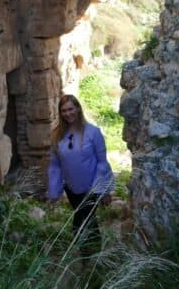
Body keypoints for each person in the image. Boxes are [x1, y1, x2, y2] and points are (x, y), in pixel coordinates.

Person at [46, 94, 114, 255]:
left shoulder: (93, 133)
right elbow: (55, 165)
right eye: (63, 110)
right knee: (80, 215)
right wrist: (54, 192)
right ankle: (86, 255)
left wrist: (103, 190)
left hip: (91, 187)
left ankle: (89, 255)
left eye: (70, 109)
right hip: (71, 187)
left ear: (77, 108)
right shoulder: (57, 135)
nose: (67, 113)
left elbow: (102, 162)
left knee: (87, 219)